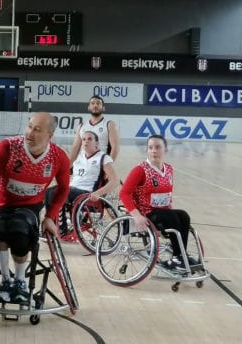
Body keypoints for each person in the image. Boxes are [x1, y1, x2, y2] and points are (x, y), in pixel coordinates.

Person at [0, 112, 70, 304]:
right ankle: (5, 281)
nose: (30, 132)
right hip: (5, 205)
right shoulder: (7, 148)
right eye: (29, 126)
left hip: (31, 208)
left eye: (37, 129)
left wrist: (50, 216)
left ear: (50, 135)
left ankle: (20, 282)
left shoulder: (58, 157)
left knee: (19, 232)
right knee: (0, 231)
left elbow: (64, 188)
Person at [120, 135, 197, 272]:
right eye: (150, 148)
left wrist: (171, 210)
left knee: (183, 216)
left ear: (165, 150)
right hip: (146, 213)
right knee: (171, 217)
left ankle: (180, 255)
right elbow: (124, 194)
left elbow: (167, 195)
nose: (154, 151)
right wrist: (136, 216)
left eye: (157, 147)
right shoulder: (140, 170)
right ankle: (178, 257)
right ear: (147, 151)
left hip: (162, 212)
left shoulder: (169, 169)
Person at [47, 130, 118, 239]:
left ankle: (62, 230)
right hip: (73, 190)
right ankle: (51, 226)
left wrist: (98, 193)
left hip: (87, 193)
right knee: (48, 193)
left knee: (60, 192)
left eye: (90, 139)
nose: (86, 142)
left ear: (97, 143)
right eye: (84, 139)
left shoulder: (103, 158)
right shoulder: (79, 157)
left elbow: (115, 181)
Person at [70, 95, 120, 163]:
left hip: (100, 164)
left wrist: (108, 166)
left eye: (98, 103)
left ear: (103, 108)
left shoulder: (110, 124)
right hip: (83, 165)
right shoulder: (81, 126)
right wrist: (68, 165)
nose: (95, 105)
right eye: (92, 103)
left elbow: (115, 148)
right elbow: (75, 148)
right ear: (89, 107)